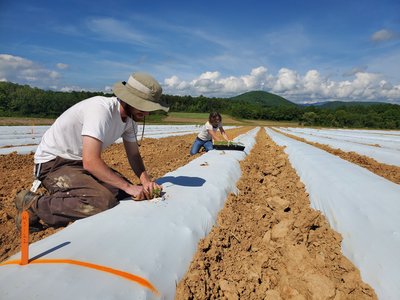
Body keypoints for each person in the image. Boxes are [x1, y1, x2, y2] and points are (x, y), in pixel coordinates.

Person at [15, 72, 169, 231]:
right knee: (101, 200)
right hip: (54, 163)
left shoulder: (130, 120)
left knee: (119, 192)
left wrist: (145, 181)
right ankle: (34, 205)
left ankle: (67, 195)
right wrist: (129, 187)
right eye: (143, 107)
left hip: (78, 162)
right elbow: (90, 161)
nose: (146, 114)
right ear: (129, 99)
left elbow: (134, 154)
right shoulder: (101, 110)